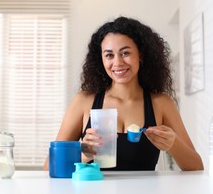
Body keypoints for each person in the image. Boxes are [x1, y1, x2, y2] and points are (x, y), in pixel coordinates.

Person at [44, 16, 203, 171]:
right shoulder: (84, 101)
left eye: (125, 53)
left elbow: (196, 166)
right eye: (109, 55)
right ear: (101, 59)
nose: (118, 63)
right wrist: (85, 153)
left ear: (140, 55)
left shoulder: (161, 103)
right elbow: (48, 167)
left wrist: (173, 143)